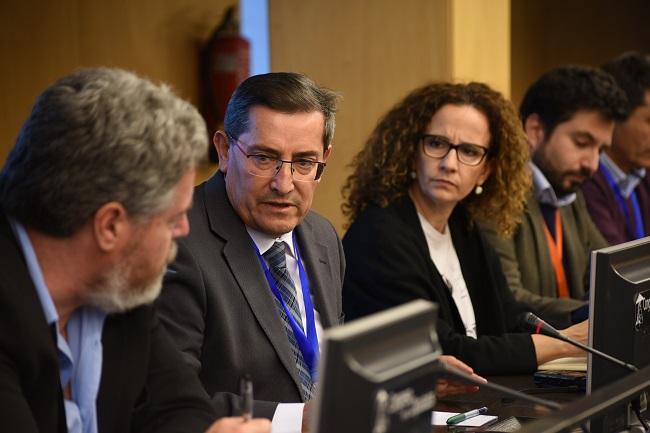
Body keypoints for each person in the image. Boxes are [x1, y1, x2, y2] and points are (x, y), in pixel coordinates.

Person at [0, 68, 270, 433]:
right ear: (110, 226)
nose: (185, 229)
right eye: (172, 218)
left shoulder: (118, 285)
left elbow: (180, 405)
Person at [341, 81, 588, 375]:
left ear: (485, 170)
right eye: (436, 144)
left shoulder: (464, 226)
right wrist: (568, 343)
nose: (449, 163)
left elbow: (508, 316)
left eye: (469, 151)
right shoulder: (380, 237)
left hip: (476, 404)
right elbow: (448, 353)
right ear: (412, 151)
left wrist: (580, 321)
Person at [483, 65, 628, 328]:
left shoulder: (569, 190)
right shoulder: (495, 193)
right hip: (523, 359)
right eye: (582, 143)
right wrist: (587, 314)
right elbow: (509, 298)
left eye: (600, 150)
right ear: (535, 129)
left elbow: (612, 271)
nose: (592, 164)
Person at [582, 52, 650, 245]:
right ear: (616, 115)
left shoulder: (643, 174)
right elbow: (616, 266)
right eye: (649, 121)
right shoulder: (583, 178)